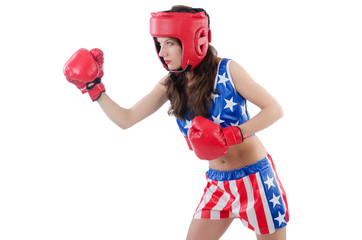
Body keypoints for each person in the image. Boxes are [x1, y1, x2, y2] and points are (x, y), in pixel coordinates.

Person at [63, 5, 289, 240]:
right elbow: (126, 119)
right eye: (159, 44)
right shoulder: (170, 85)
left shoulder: (228, 70)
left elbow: (274, 109)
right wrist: (94, 88)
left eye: (169, 43)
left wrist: (233, 134)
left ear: (193, 40)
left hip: (256, 181)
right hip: (219, 184)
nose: (162, 52)